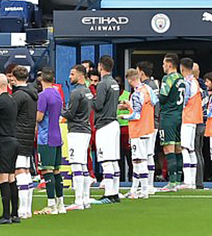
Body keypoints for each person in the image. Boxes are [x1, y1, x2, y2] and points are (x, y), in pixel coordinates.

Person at [119, 68, 157, 199]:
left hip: (138, 130)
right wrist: (130, 105)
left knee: (139, 160)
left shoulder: (136, 94)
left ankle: (144, 190)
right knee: (138, 160)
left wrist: (123, 117)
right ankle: (134, 189)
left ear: (130, 80)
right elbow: (154, 102)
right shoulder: (147, 89)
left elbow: (136, 115)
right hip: (148, 128)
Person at [62, 65, 93, 211]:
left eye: (72, 74)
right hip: (85, 130)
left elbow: (70, 114)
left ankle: (78, 200)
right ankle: (85, 199)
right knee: (83, 165)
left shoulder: (76, 93)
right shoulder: (87, 91)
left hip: (76, 131)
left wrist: (58, 108)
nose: (70, 76)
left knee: (76, 165)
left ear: (80, 76)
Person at [91, 55, 121, 204]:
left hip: (105, 124)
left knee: (106, 160)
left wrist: (91, 98)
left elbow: (98, 105)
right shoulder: (114, 83)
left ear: (100, 67)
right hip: (114, 123)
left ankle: (109, 194)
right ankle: (114, 192)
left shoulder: (103, 84)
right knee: (114, 159)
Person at [35, 68, 65, 215]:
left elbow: (39, 117)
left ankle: (51, 205)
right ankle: (61, 204)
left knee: (47, 171)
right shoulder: (57, 94)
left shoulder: (42, 96)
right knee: (57, 171)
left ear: (41, 81)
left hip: (45, 137)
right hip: (57, 135)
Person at [9, 66, 38, 219]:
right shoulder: (33, 94)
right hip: (28, 136)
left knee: (19, 171)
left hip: (18, 136)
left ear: (14, 78)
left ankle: (22, 209)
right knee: (26, 171)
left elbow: (10, 114)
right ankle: (27, 209)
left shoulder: (19, 95)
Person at [0, 74, 18, 225]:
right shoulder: (12, 100)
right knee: (11, 177)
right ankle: (14, 213)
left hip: (4, 140)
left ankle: (6, 215)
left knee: (2, 177)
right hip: (13, 139)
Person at [158, 53, 186, 192]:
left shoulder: (168, 78)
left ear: (169, 64)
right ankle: (178, 180)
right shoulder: (181, 78)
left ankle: (172, 183)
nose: (163, 66)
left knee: (168, 149)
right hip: (179, 116)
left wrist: (156, 91)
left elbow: (162, 97)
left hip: (168, 117)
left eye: (164, 63)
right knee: (178, 149)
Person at [137, 61, 160, 193]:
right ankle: (149, 184)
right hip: (153, 122)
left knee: (145, 154)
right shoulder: (154, 85)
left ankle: (147, 185)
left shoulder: (146, 87)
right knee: (149, 153)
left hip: (148, 123)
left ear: (141, 72)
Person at [179, 58, 201, 190]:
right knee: (191, 149)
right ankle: (191, 181)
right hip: (194, 118)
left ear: (181, 68)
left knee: (185, 148)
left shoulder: (187, 82)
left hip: (187, 118)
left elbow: (184, 101)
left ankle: (188, 181)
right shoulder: (195, 82)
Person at [192, 62, 208, 189]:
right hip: (203, 122)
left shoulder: (195, 87)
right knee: (199, 152)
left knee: (194, 152)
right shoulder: (205, 87)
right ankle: (198, 180)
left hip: (196, 122)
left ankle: (196, 182)